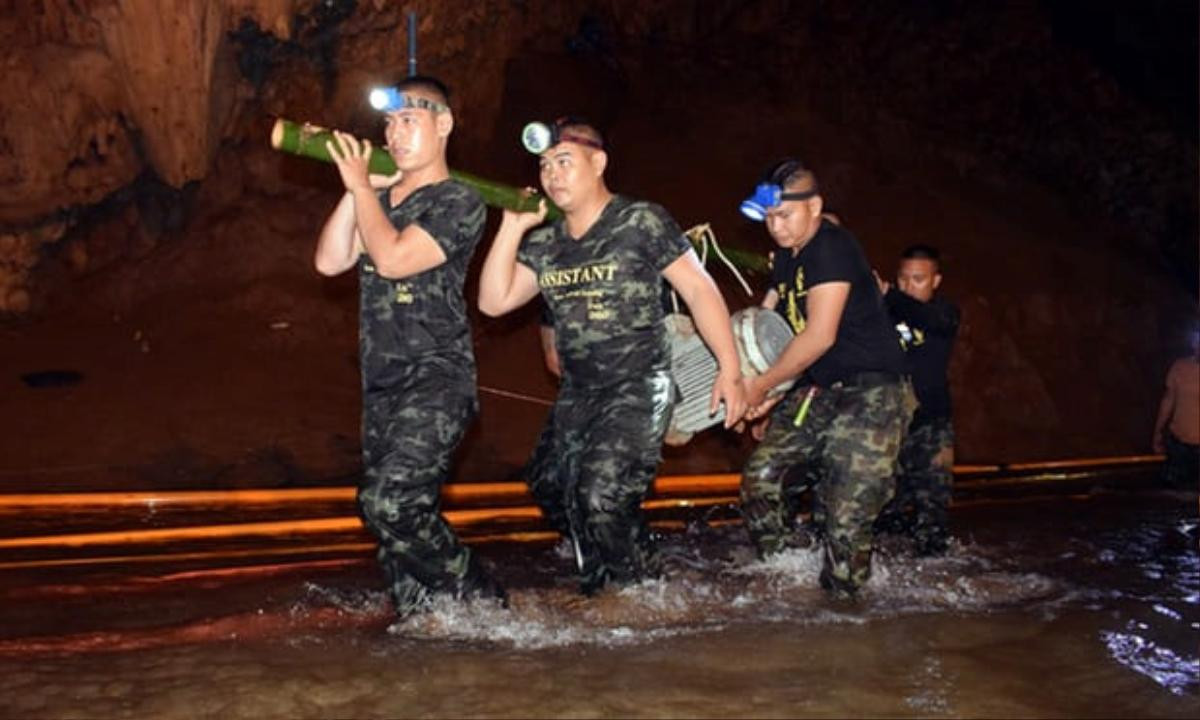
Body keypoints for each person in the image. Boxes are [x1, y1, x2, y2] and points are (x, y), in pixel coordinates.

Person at [478, 117, 746, 595]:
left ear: (598, 163)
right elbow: (493, 302)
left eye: (564, 161)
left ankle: (643, 596)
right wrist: (512, 228)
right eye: (544, 165)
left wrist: (730, 369)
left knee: (601, 495)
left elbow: (699, 289)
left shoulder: (639, 221)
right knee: (549, 485)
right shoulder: (547, 243)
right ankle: (609, 575)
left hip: (638, 384)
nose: (552, 175)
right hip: (579, 392)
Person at [314, 75, 504, 619]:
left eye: (410, 121)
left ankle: (485, 604)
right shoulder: (375, 198)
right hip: (383, 386)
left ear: (442, 126)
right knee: (390, 535)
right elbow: (329, 261)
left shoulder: (459, 201)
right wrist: (364, 191)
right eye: (390, 123)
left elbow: (394, 258)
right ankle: (429, 639)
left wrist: (359, 190)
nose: (395, 135)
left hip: (437, 378)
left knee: (389, 501)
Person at [737, 158, 913, 599]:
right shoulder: (786, 258)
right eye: (769, 218)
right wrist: (768, 396)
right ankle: (784, 573)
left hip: (872, 390)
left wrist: (760, 386)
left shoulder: (833, 247)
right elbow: (768, 325)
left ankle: (844, 612)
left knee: (847, 514)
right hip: (816, 389)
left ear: (814, 206)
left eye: (785, 215)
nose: (776, 227)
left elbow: (817, 337)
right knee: (763, 475)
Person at [872, 245, 960, 555]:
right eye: (903, 278)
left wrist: (889, 295)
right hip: (887, 425)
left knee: (932, 506)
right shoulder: (883, 312)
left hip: (931, 425)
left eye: (918, 279)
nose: (909, 286)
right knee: (881, 509)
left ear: (936, 281)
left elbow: (931, 320)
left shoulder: (944, 312)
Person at [1152, 327, 1200, 490]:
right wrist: (1157, 432)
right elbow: (1168, 401)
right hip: (1179, 445)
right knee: (1174, 494)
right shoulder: (1179, 367)